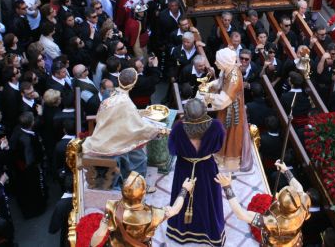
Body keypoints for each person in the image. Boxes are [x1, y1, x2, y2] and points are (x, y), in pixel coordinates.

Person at [82, 68, 167, 184]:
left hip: (102, 138)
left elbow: (103, 116)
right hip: (114, 143)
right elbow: (138, 128)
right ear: (133, 85)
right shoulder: (126, 103)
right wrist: (157, 130)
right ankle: (137, 185)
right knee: (141, 159)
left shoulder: (110, 94)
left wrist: (138, 113)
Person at [166, 99, 226, 246]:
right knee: (208, 200)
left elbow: (172, 150)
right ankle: (209, 232)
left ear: (186, 113)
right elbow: (218, 147)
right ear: (204, 111)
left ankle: (181, 232)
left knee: (182, 197)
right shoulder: (217, 126)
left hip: (184, 168)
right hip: (206, 168)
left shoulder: (178, 127)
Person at [215, 160, 311, 246]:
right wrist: (285, 170)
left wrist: (227, 187)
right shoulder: (302, 201)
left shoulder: (273, 222)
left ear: (280, 205)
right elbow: (299, 187)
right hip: (294, 241)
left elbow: (241, 214)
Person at [90, 171, 195, 247]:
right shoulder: (154, 214)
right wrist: (184, 189)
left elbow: (100, 234)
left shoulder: (112, 207)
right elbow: (175, 209)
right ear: (143, 194)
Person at [199, 48, 252, 172]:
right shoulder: (227, 68)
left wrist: (208, 97)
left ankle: (228, 162)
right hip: (227, 108)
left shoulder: (235, 78)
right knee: (223, 130)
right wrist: (210, 85)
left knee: (230, 135)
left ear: (224, 61)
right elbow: (222, 81)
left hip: (233, 111)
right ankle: (219, 156)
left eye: (218, 61)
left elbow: (223, 100)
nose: (216, 63)